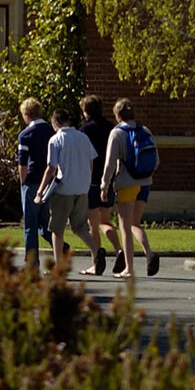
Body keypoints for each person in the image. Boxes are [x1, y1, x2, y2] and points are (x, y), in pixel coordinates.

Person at [34, 108, 105, 275]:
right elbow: (91, 163)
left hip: (63, 189)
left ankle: (58, 266)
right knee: (80, 226)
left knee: (57, 230)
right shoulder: (83, 137)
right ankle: (96, 251)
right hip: (82, 188)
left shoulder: (55, 140)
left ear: (55, 122)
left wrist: (40, 191)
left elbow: (51, 168)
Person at [100, 98, 160, 277]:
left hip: (127, 182)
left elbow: (110, 163)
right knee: (135, 223)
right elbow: (156, 160)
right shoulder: (145, 131)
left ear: (118, 115)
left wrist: (104, 185)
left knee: (125, 226)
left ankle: (129, 268)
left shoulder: (117, 133)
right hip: (145, 183)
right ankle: (149, 254)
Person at [78, 95, 119, 266]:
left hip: (92, 181)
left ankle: (96, 260)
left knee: (93, 224)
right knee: (105, 221)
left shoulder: (85, 130)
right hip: (108, 180)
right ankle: (119, 250)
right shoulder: (111, 128)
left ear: (86, 111)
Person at [14, 98, 52, 264]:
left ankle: (31, 261)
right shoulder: (51, 131)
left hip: (32, 180)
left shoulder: (25, 135)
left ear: (26, 114)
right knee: (44, 221)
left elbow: (22, 162)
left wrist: (23, 182)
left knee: (30, 223)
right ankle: (59, 245)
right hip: (49, 180)